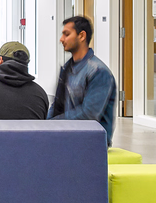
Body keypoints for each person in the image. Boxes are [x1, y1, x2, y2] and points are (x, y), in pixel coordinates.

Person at [49, 14, 117, 142]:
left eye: (66, 34)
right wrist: (44, 124)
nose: (61, 39)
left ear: (81, 36)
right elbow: (58, 105)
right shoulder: (67, 68)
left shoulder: (99, 71)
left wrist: (53, 124)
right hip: (69, 134)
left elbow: (89, 114)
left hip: (91, 140)